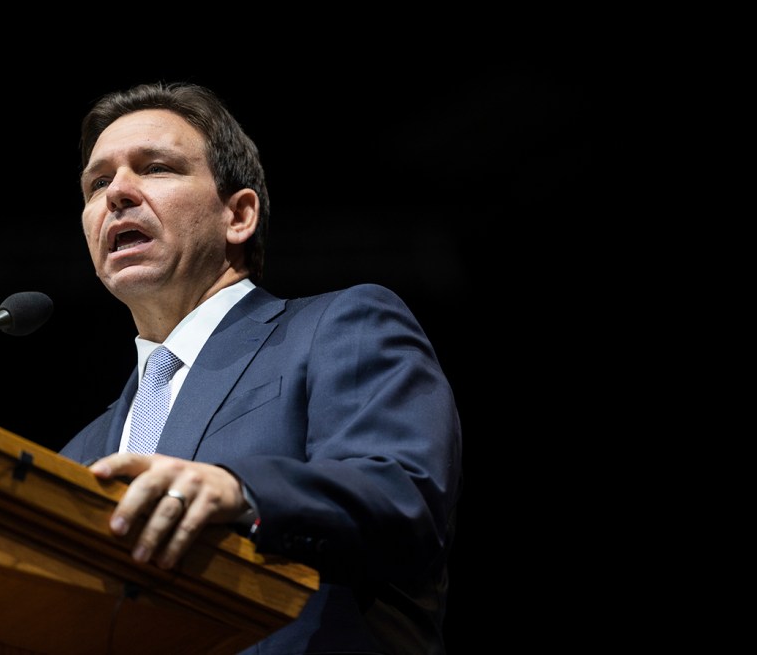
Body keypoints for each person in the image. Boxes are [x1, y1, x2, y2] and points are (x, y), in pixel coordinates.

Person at [59, 81, 463, 654]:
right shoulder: (78, 457)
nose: (117, 192)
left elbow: (403, 497)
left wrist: (243, 489)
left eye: (155, 168)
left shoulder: (340, 327)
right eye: (97, 183)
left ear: (239, 214)